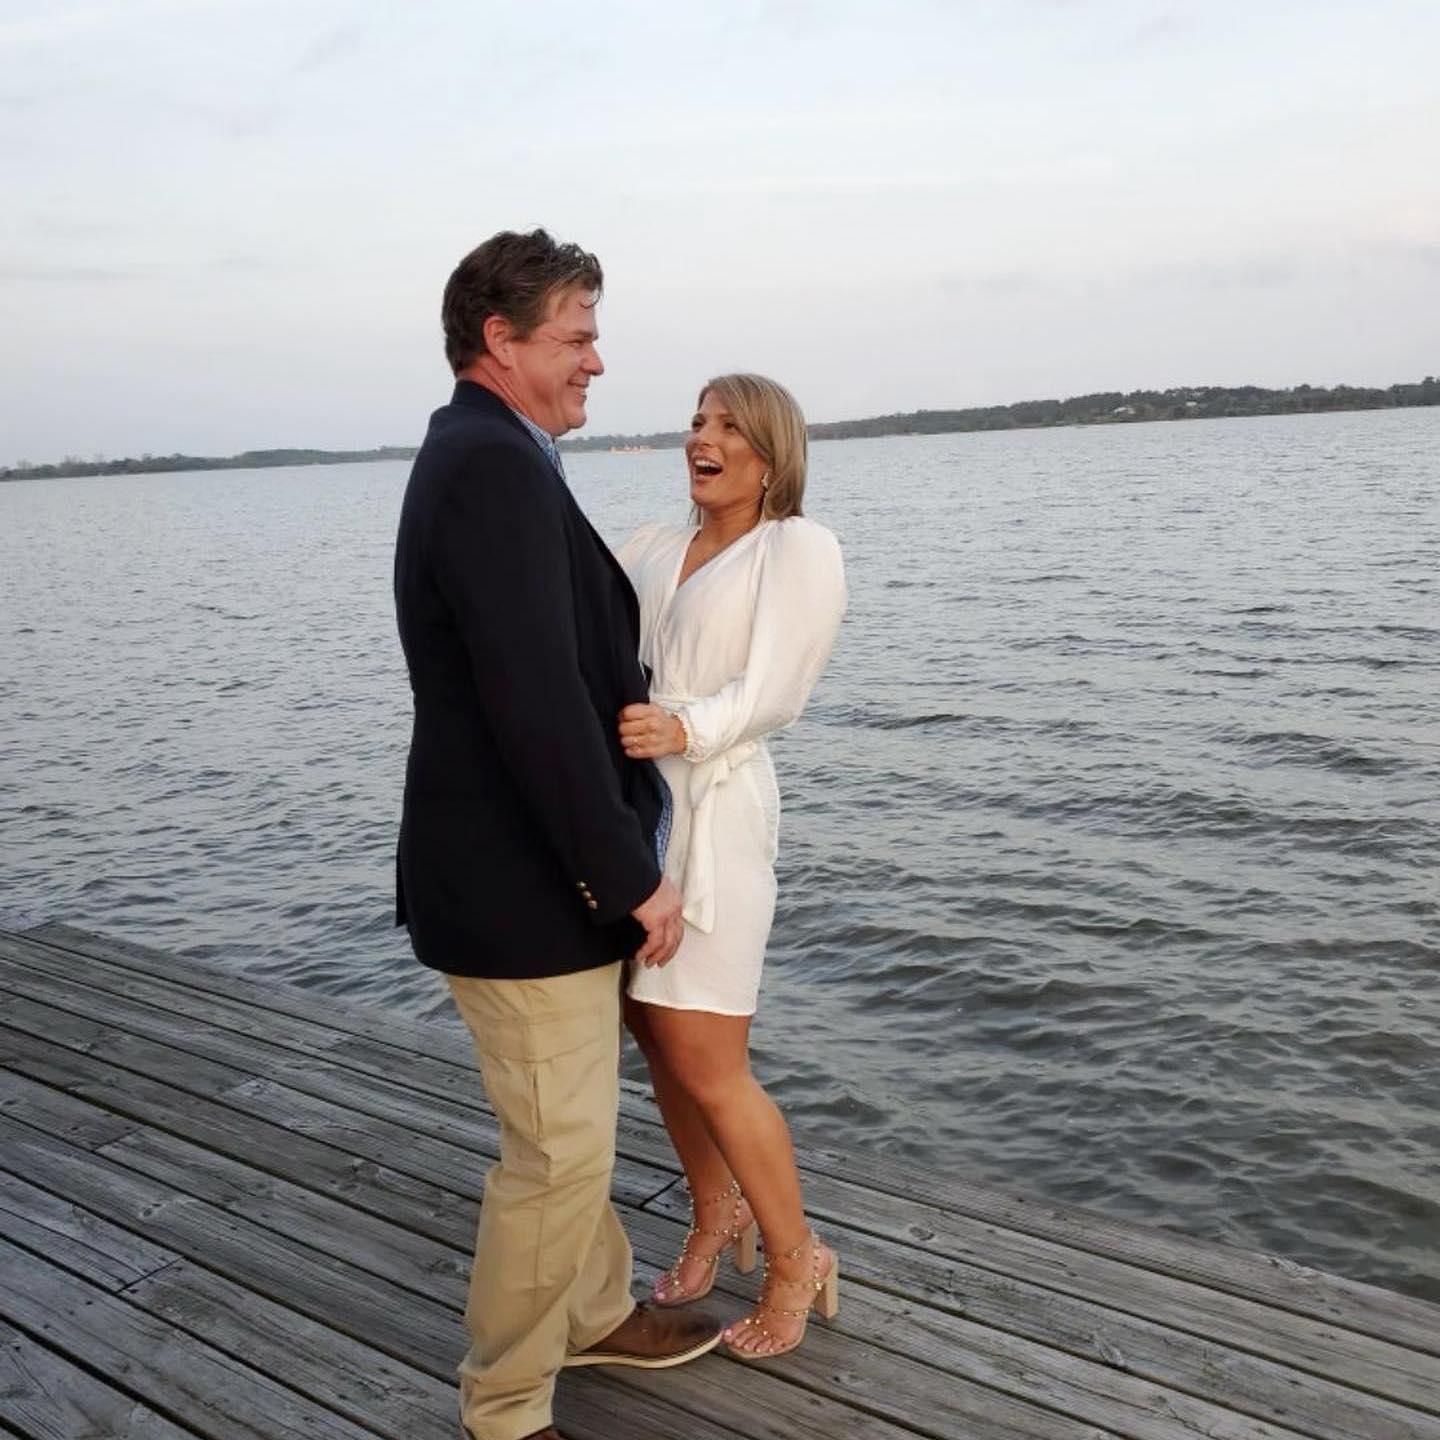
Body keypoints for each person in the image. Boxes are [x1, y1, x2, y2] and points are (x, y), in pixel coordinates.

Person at [393, 229, 721, 1440]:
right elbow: (532, 704)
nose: (596, 360)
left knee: (568, 1130)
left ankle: (592, 1310)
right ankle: (506, 1404)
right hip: (519, 885)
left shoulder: (495, 452)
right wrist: (630, 876)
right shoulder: (489, 466)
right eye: (577, 336)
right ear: (502, 338)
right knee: (558, 1155)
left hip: (525, 878)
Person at [614, 373, 847, 1359]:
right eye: (696, 421)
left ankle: (798, 1257)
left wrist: (687, 727)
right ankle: (717, 1211)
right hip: (638, 811)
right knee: (654, 1029)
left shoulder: (795, 548)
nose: (701, 438)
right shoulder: (653, 547)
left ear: (769, 452)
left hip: (719, 812)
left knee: (711, 1057)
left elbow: (780, 689)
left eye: (726, 425)